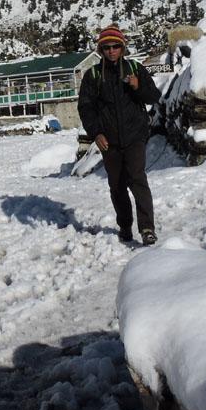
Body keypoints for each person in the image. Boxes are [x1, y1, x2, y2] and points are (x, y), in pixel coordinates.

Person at [77, 24, 162, 246]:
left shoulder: (135, 69)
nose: (111, 50)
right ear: (101, 50)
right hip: (109, 141)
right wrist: (96, 133)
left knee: (138, 179)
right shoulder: (93, 75)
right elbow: (86, 108)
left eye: (116, 46)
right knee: (116, 185)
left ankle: (147, 228)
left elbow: (153, 96)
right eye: (107, 47)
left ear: (122, 48)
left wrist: (137, 86)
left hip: (135, 136)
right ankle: (125, 225)